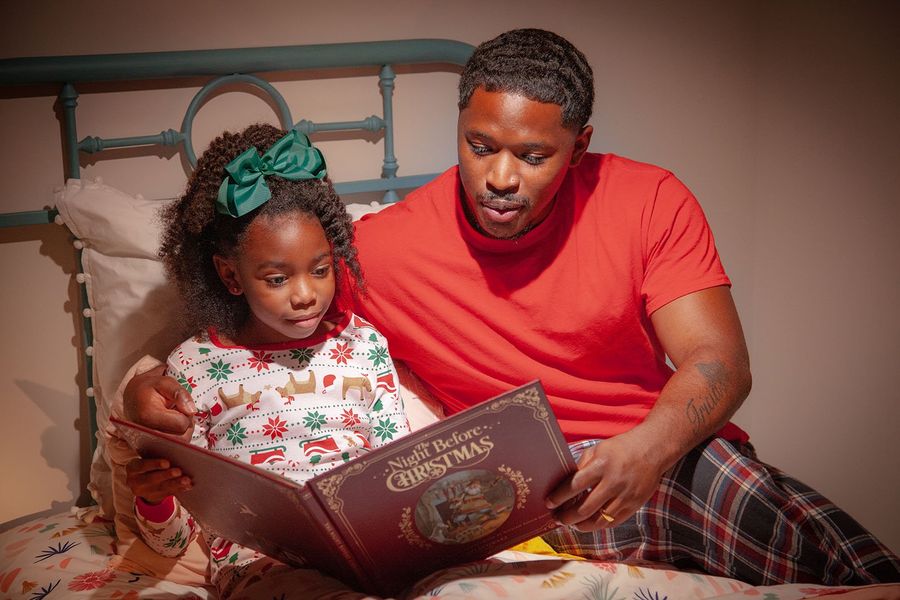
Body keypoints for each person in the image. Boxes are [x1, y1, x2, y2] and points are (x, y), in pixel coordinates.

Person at [124, 30, 900, 587]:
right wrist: (140, 385)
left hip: (649, 456)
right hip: (512, 489)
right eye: (479, 144)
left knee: (793, 525)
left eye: (533, 156)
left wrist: (649, 448)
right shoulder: (378, 253)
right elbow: (264, 327)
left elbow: (719, 362)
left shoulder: (650, 200)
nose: (499, 176)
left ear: (581, 144)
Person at [123, 123, 409, 598]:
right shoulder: (193, 368)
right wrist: (152, 499)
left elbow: (397, 472)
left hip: (369, 549)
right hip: (264, 569)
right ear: (230, 275)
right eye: (277, 279)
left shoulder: (363, 344)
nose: (305, 295)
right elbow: (171, 541)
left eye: (321, 271)